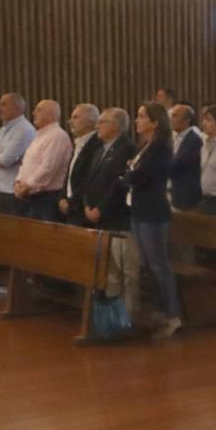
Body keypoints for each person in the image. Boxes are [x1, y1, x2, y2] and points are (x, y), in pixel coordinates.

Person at [122, 102, 182, 340]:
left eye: (141, 117)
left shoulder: (160, 149)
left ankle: (173, 315)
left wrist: (127, 175)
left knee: (159, 265)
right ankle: (160, 310)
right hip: (139, 209)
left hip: (153, 212)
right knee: (147, 264)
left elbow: (136, 176)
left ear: (155, 122)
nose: (137, 120)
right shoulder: (144, 147)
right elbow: (130, 173)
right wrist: (127, 175)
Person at [82, 108, 139, 315]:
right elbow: (89, 181)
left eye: (103, 122)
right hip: (99, 217)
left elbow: (119, 184)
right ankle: (113, 314)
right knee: (109, 269)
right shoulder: (100, 149)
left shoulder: (126, 148)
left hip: (118, 218)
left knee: (127, 270)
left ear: (115, 126)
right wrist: (88, 205)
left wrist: (100, 208)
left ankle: (129, 313)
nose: (97, 126)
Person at [14, 100, 72, 222]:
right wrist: (18, 182)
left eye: (39, 110)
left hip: (48, 199)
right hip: (33, 196)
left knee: (47, 239)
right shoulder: (39, 135)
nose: (34, 113)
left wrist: (27, 185)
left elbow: (48, 168)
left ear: (51, 114)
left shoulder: (57, 136)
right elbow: (26, 163)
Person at [0, 93, 36, 215]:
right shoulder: (3, 129)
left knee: (18, 232)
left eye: (3, 104)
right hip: (2, 188)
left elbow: (4, 160)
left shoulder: (24, 129)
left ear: (17, 107)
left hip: (16, 192)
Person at [62, 104, 102, 225]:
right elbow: (70, 174)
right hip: (71, 204)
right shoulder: (78, 142)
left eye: (75, 117)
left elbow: (88, 177)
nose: (70, 121)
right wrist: (63, 196)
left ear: (90, 122)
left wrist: (73, 201)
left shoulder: (97, 144)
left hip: (83, 206)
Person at [167, 103, 203, 212]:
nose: (171, 119)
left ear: (187, 120)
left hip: (186, 194)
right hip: (175, 191)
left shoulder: (193, 140)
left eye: (175, 116)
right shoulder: (176, 137)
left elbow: (178, 164)